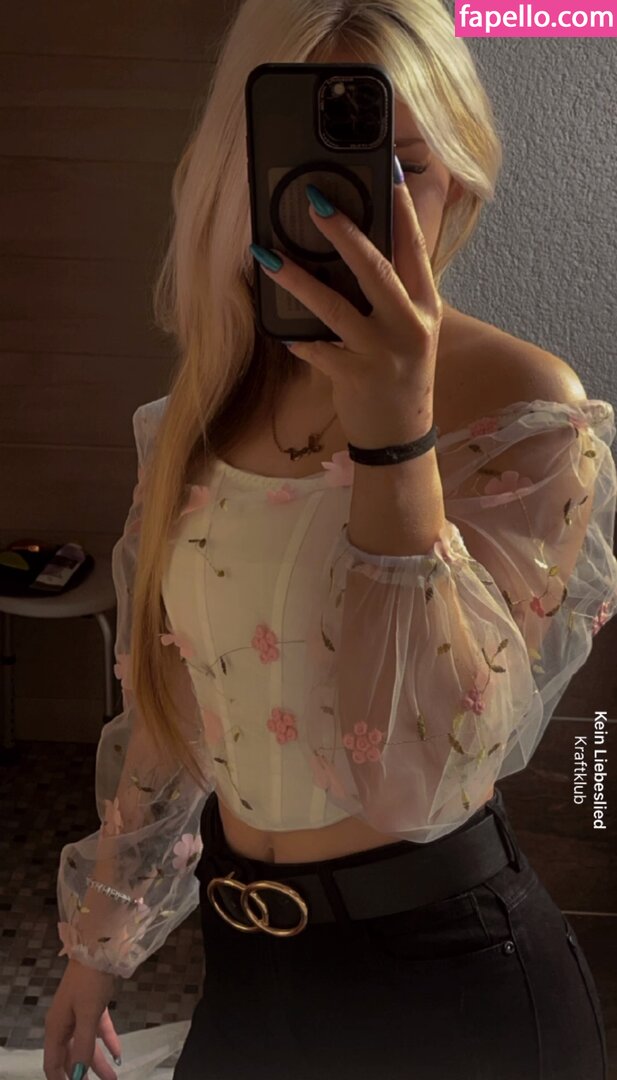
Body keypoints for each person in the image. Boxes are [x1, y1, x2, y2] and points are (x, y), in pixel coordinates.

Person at [40, 1, 617, 1078]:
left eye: (407, 169)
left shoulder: (524, 411)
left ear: (460, 183)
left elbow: (415, 777)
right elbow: (168, 707)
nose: (357, 208)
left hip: (453, 983)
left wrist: (396, 436)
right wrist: (100, 942)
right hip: (248, 970)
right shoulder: (202, 413)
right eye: (312, 172)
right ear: (239, 178)